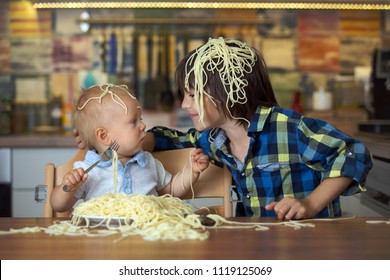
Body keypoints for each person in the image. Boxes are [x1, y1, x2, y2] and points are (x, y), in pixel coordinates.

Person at [74, 38, 373, 220]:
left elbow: (352, 152)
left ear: (226, 91)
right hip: (257, 248)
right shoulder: (215, 140)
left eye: (192, 93)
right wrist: (109, 140)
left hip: (311, 246)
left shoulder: (287, 128)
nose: (184, 104)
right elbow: (169, 139)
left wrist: (309, 204)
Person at [51, 84, 209, 213]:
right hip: (102, 240)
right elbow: (58, 206)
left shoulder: (147, 161)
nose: (143, 126)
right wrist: (67, 188)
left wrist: (191, 172)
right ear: (104, 136)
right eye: (133, 122)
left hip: (147, 236)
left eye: (140, 119)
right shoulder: (87, 171)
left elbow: (170, 191)